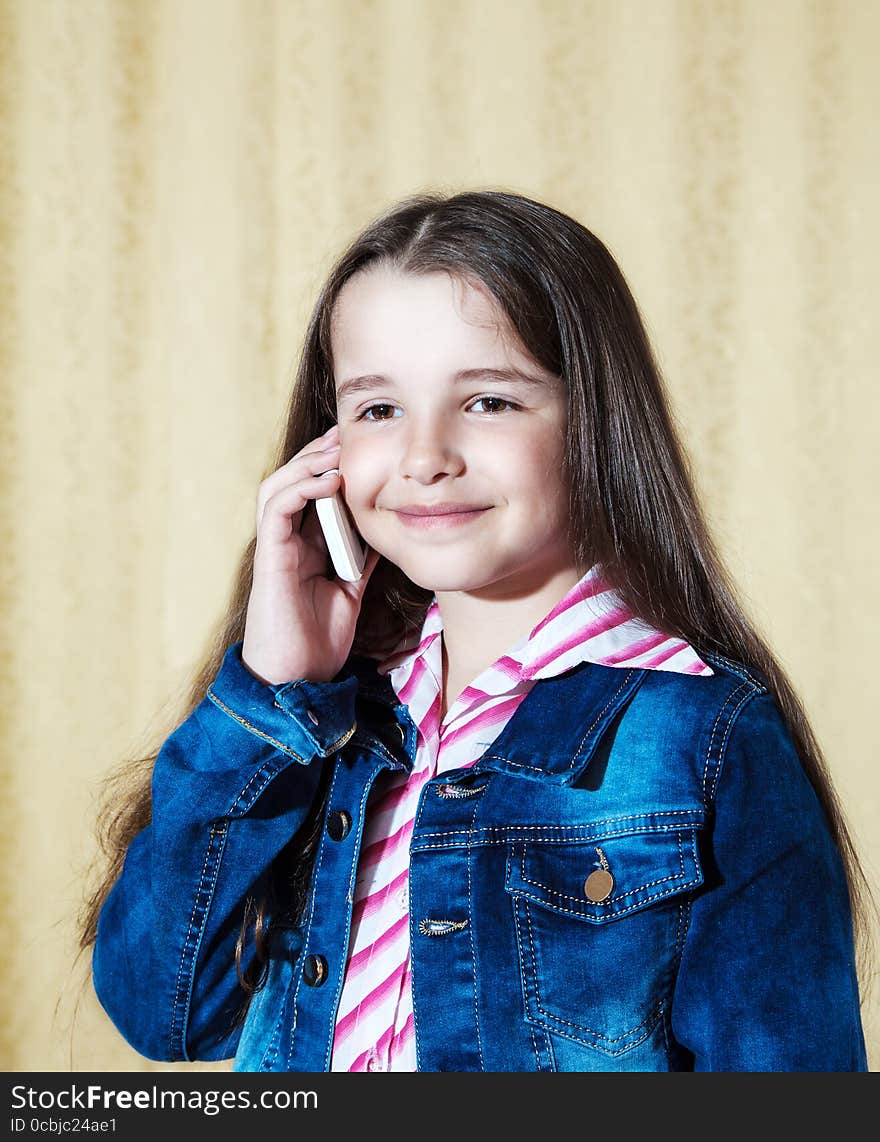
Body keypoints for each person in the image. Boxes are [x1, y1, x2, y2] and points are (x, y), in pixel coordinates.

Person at [79, 189, 871, 1072]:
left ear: (592, 422)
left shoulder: (706, 738)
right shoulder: (329, 723)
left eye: (488, 401)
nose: (425, 457)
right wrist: (274, 695)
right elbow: (166, 1011)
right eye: (377, 410)